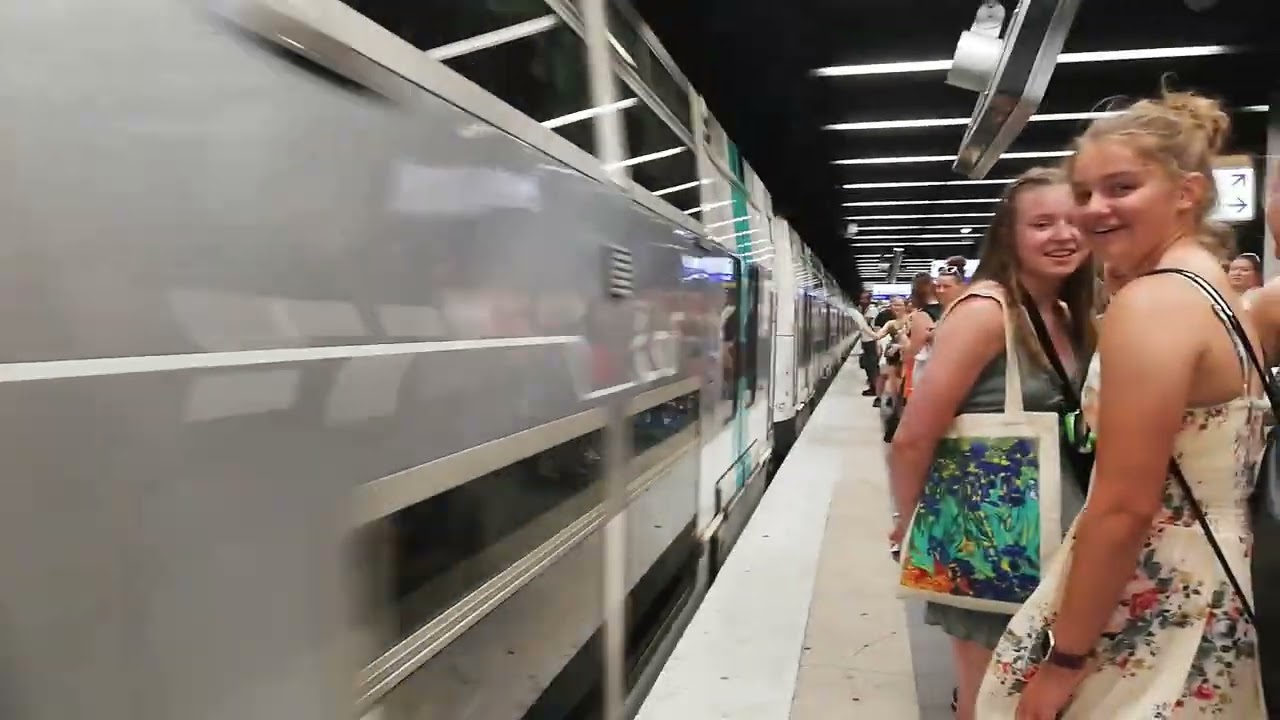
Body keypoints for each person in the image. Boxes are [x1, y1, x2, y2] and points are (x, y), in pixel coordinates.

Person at [977, 90, 1266, 718]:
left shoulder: (1156, 303)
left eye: (1121, 187)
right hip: (1216, 579)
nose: (1094, 209)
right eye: (1084, 192)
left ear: (1185, 193)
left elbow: (1125, 506)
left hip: (1150, 589)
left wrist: (1065, 661)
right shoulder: (1216, 289)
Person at [888, 167, 1093, 720]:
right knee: (992, 698)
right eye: (1042, 223)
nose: (1063, 235)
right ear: (1010, 237)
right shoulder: (986, 311)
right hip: (991, 538)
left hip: (1053, 534)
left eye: (1074, 221)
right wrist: (913, 527)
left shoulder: (1065, 313)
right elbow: (912, 437)